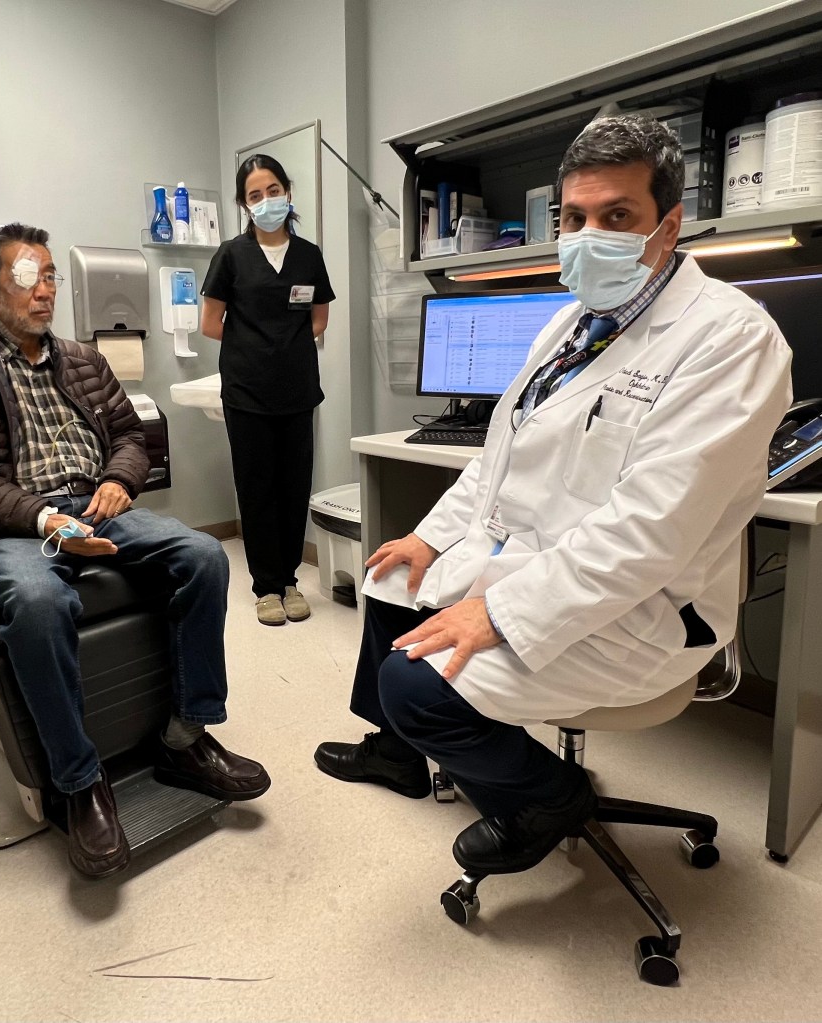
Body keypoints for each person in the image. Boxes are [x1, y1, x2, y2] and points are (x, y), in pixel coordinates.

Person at [315, 115, 792, 877]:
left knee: (415, 685)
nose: (587, 235)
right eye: (573, 217)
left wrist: (500, 611)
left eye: (616, 216)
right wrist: (430, 538)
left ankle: (548, 797)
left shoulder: (730, 340)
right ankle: (398, 754)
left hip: (642, 605)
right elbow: (497, 457)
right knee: (390, 576)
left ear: (667, 226)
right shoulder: (572, 323)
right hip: (536, 558)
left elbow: (647, 534)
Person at [0, 223, 271, 880]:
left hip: (94, 503)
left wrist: (118, 481)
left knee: (204, 557)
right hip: (10, 527)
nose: (46, 290)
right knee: (39, 599)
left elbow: (130, 438)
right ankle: (79, 782)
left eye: (50, 275)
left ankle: (184, 737)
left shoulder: (84, 360)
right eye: (29, 277)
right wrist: (43, 515)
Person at [200, 154, 335, 626]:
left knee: (294, 487)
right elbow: (210, 323)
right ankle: (266, 587)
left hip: (298, 390)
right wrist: (255, 347)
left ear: (287, 192)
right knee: (257, 489)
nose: (266, 200)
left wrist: (285, 347)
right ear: (244, 204)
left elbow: (319, 318)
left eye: (273, 190)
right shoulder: (231, 255)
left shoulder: (308, 255)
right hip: (247, 392)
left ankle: (291, 580)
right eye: (255, 195)